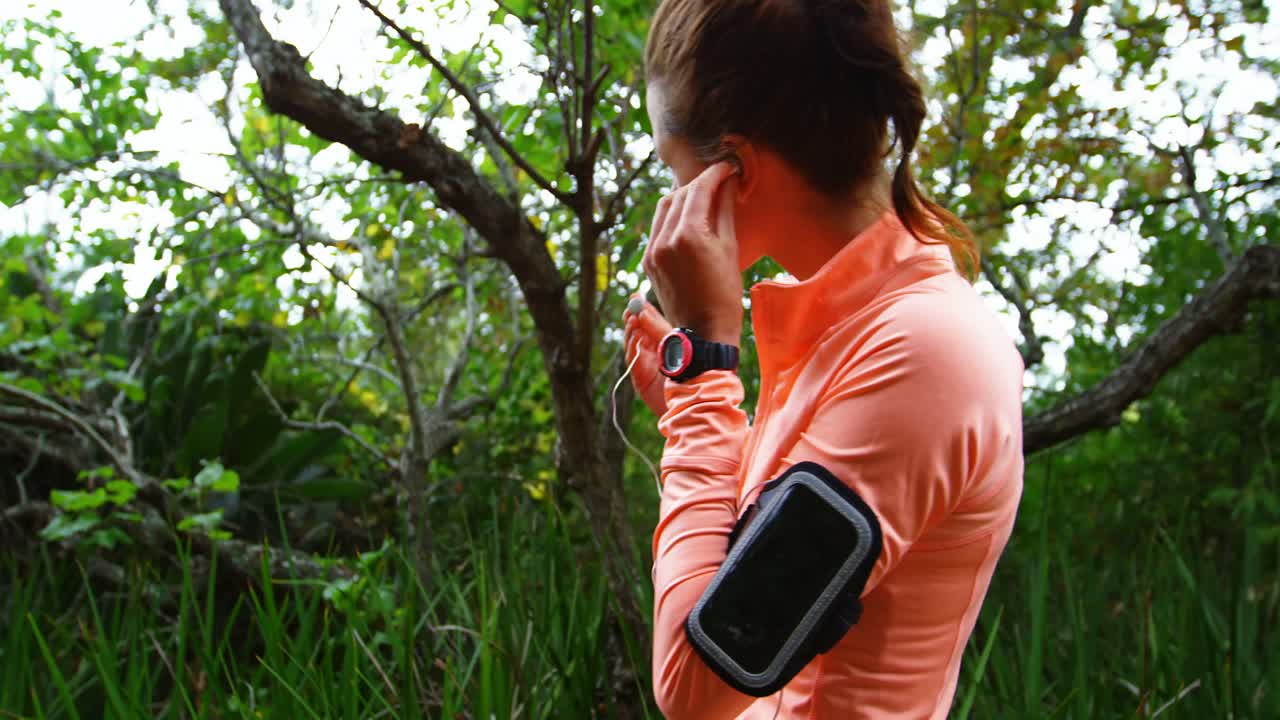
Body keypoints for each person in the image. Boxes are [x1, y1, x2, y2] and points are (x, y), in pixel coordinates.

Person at [620, 1, 1025, 717]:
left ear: (736, 169)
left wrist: (702, 385)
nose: (671, 199)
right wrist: (699, 405)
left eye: (670, 167)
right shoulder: (854, 333)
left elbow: (694, 685)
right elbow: (773, 553)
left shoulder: (925, 354)